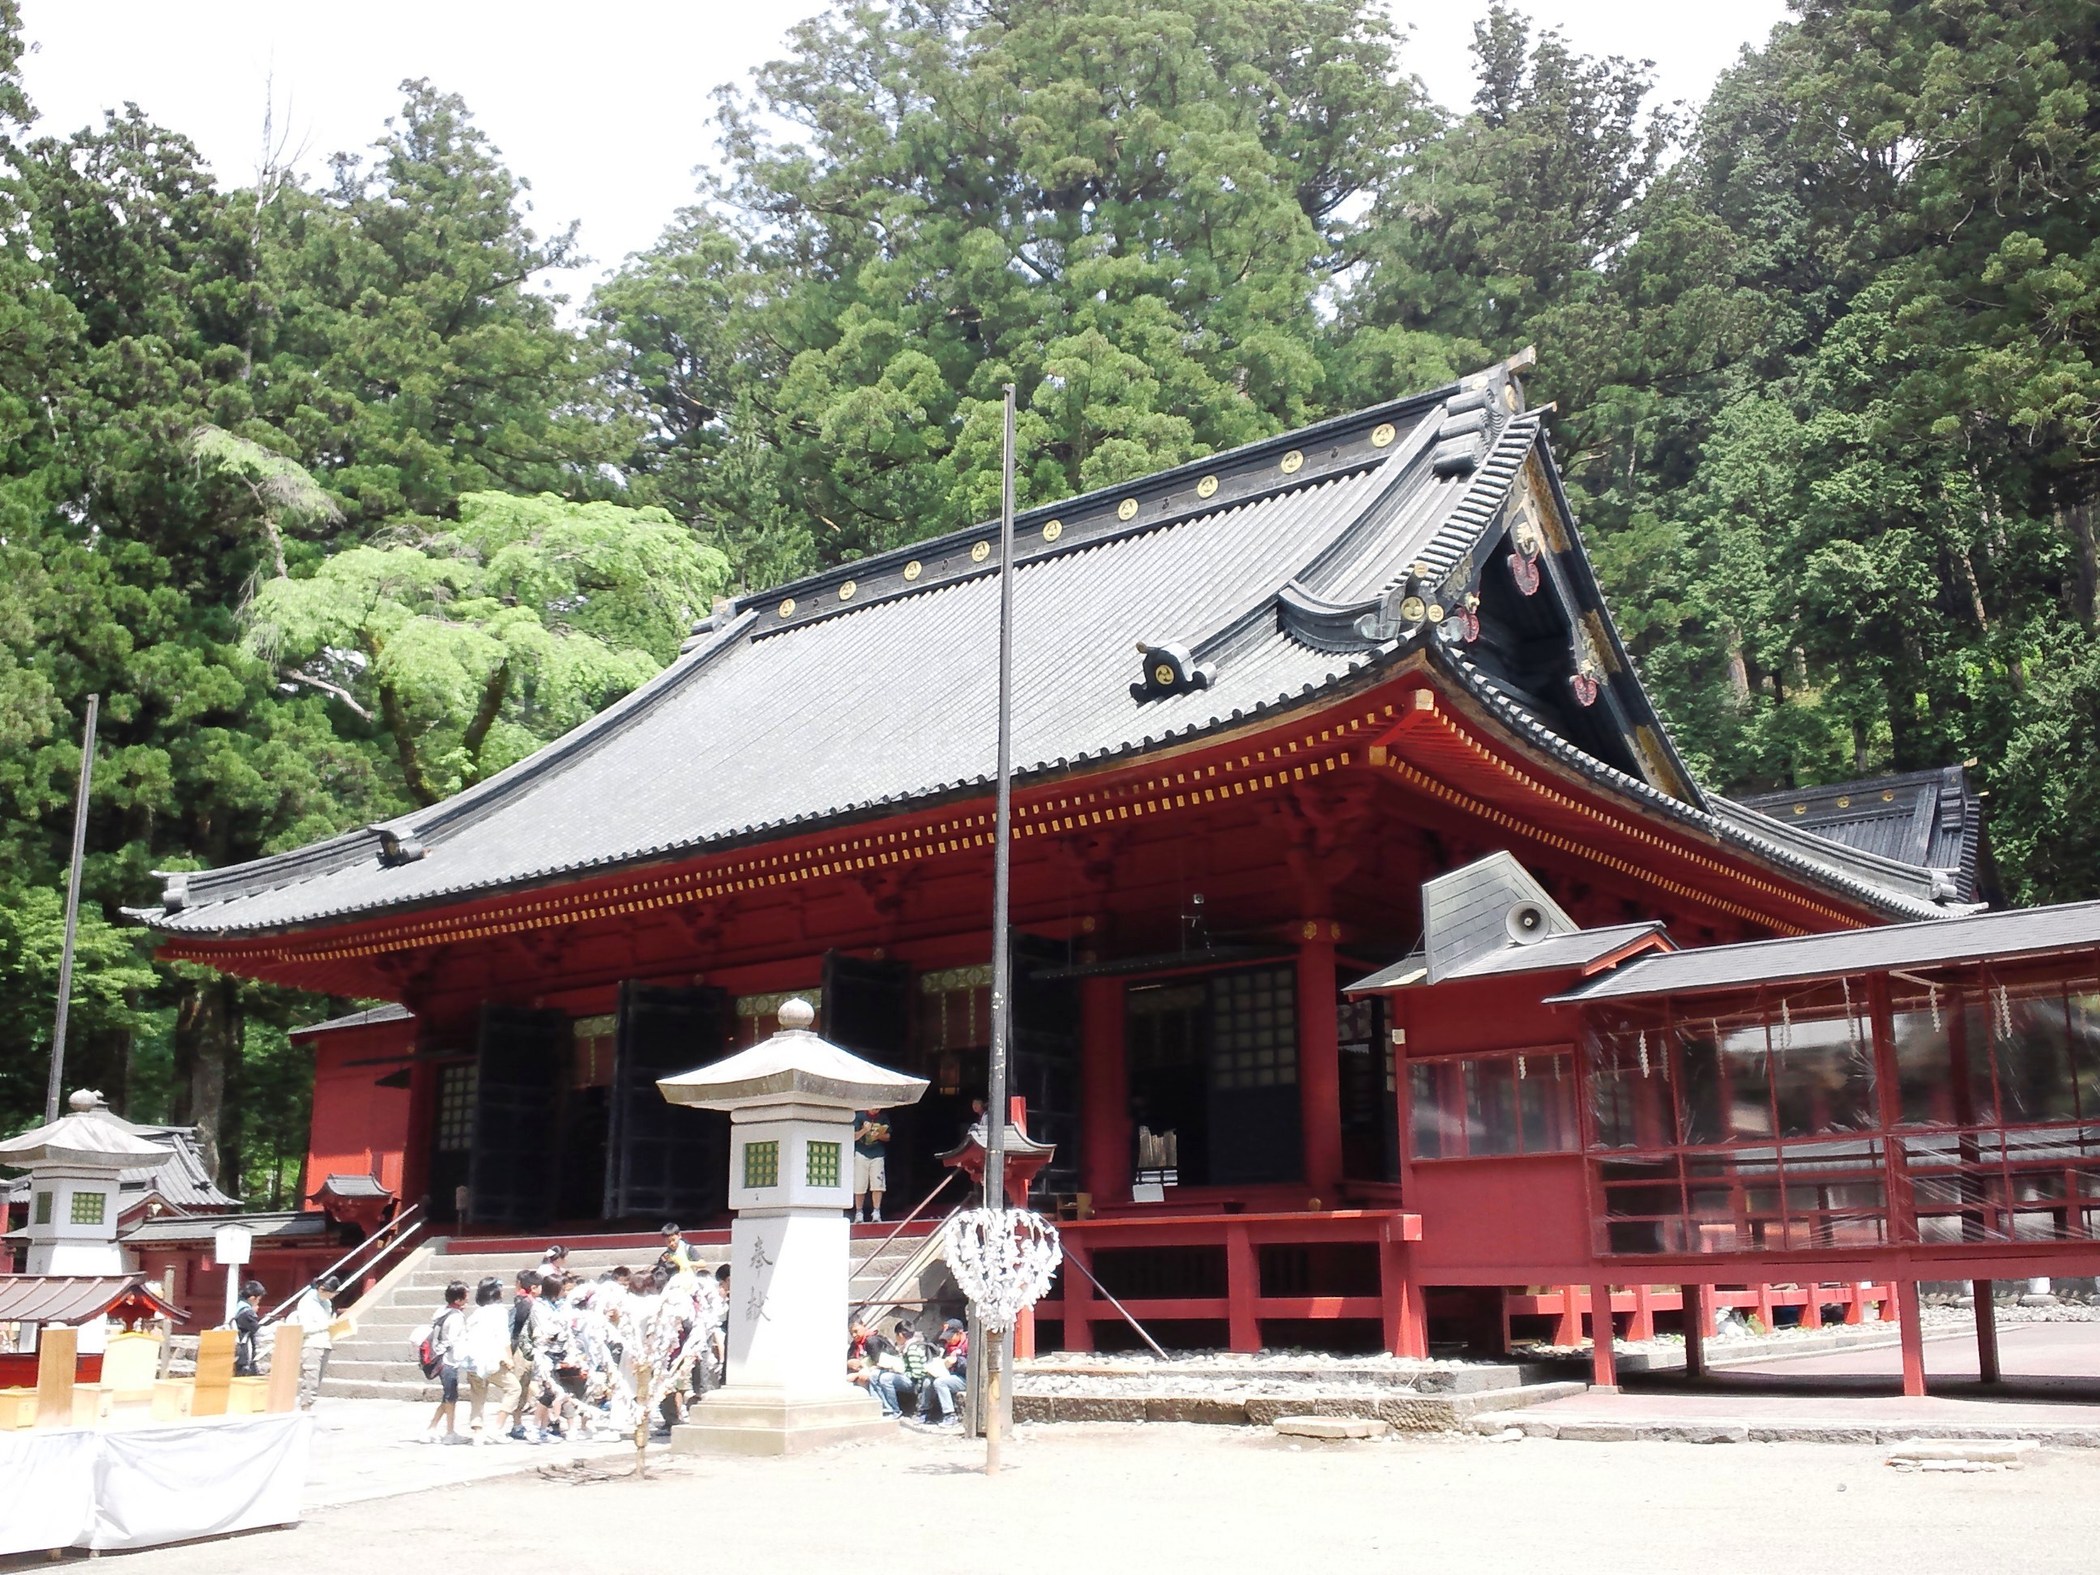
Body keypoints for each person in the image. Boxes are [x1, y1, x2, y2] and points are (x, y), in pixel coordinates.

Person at [463, 1276, 511, 1444]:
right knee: (514, 1389)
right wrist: (508, 1358)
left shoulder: (476, 1313)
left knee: (477, 1396)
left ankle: (478, 1431)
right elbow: (503, 1337)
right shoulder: (499, 1312)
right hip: (491, 1360)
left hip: (472, 1361)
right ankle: (497, 1427)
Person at [420, 1280, 469, 1444]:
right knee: (450, 1397)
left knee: (449, 1397)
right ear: (458, 1300)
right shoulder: (456, 1317)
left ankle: (432, 1428)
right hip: (448, 1360)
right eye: (465, 1296)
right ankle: (449, 1432)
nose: (467, 1299)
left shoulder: (442, 1312)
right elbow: (453, 1340)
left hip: (441, 1360)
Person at [292, 1273, 340, 1408]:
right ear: (321, 1289)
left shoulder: (327, 1303)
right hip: (312, 1344)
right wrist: (328, 1324)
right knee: (310, 1379)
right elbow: (305, 1327)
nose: (332, 1297)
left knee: (317, 1380)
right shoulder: (307, 1302)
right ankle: (305, 1406)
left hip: (325, 1342)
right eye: (331, 1293)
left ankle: (310, 1405)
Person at [847, 1317, 905, 1416]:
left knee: (864, 1377)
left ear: (864, 1326)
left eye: (856, 1331)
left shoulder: (872, 1341)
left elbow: (879, 1363)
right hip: (866, 1368)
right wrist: (849, 1362)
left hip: (887, 1370)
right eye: (851, 1333)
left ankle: (877, 1406)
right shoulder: (855, 1344)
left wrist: (857, 1373)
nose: (854, 1335)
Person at [853, 1108, 891, 1223]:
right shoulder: (859, 1117)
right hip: (861, 1153)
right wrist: (865, 1130)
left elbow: (888, 1136)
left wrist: (878, 1135)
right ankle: (859, 1212)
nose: (876, 1109)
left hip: (878, 1154)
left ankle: (876, 1212)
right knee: (859, 1184)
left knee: (878, 1184)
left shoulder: (883, 1117)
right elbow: (854, 1136)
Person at [231, 1280, 266, 1377]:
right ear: (252, 1298)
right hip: (244, 1354)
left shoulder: (238, 1307)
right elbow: (260, 1331)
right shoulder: (247, 1313)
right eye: (258, 1299)